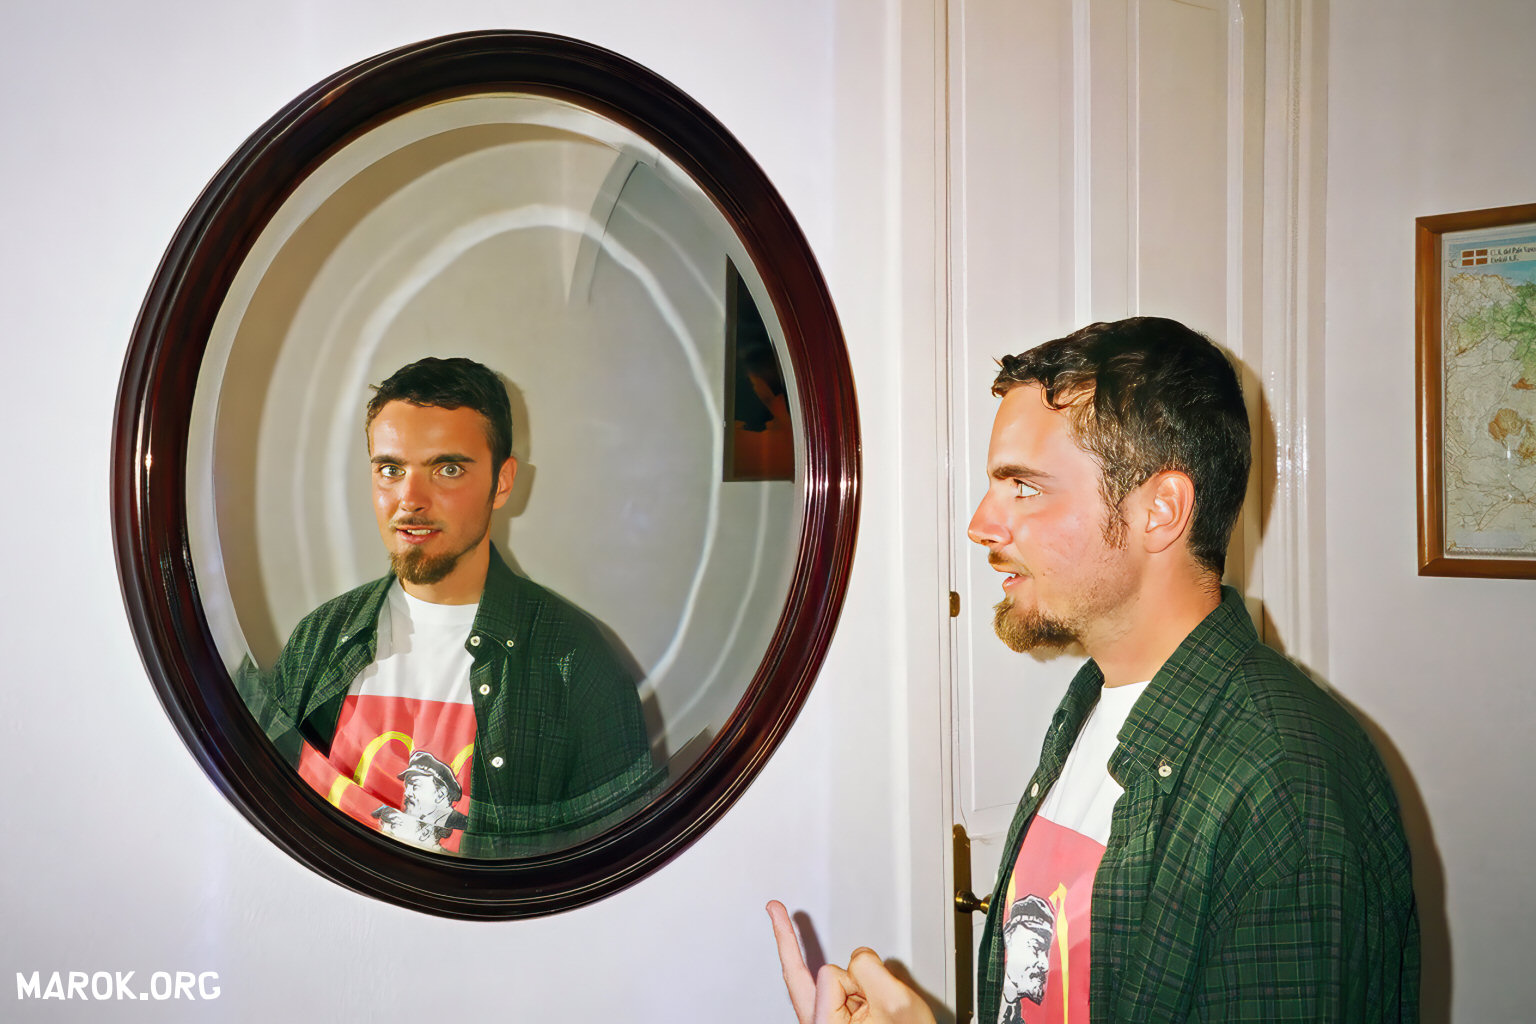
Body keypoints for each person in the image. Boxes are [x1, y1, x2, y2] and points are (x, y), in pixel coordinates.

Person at [770, 317, 1419, 1022]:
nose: (983, 525)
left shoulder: (1284, 785)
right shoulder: (1091, 708)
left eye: (1025, 487)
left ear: (1160, 511)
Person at [238, 357, 654, 857]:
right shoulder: (319, 641)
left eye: (448, 469)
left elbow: (617, 869)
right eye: (390, 469)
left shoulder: (575, 664)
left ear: (502, 482)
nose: (410, 499)